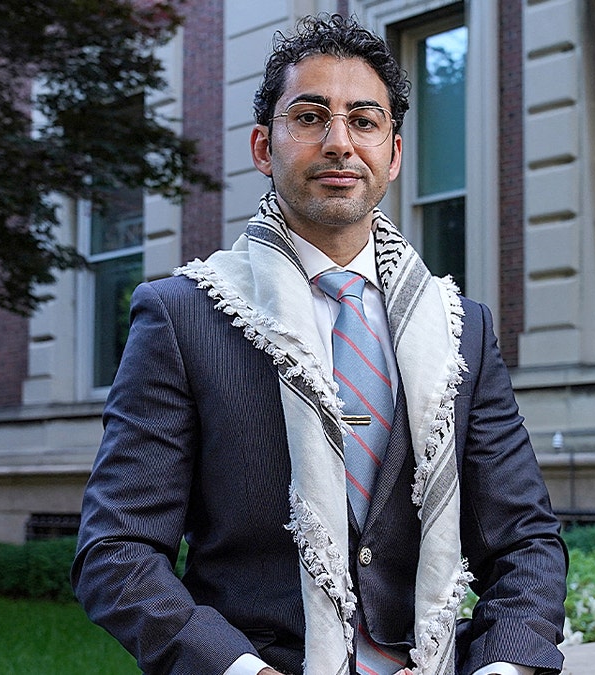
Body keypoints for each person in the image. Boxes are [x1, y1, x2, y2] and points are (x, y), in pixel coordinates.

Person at [72, 13, 567, 675]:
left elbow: (527, 544)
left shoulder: (459, 326)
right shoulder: (181, 316)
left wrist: (499, 669)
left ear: (392, 152)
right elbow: (117, 552)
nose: (340, 141)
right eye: (309, 116)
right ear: (262, 146)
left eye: (364, 120)